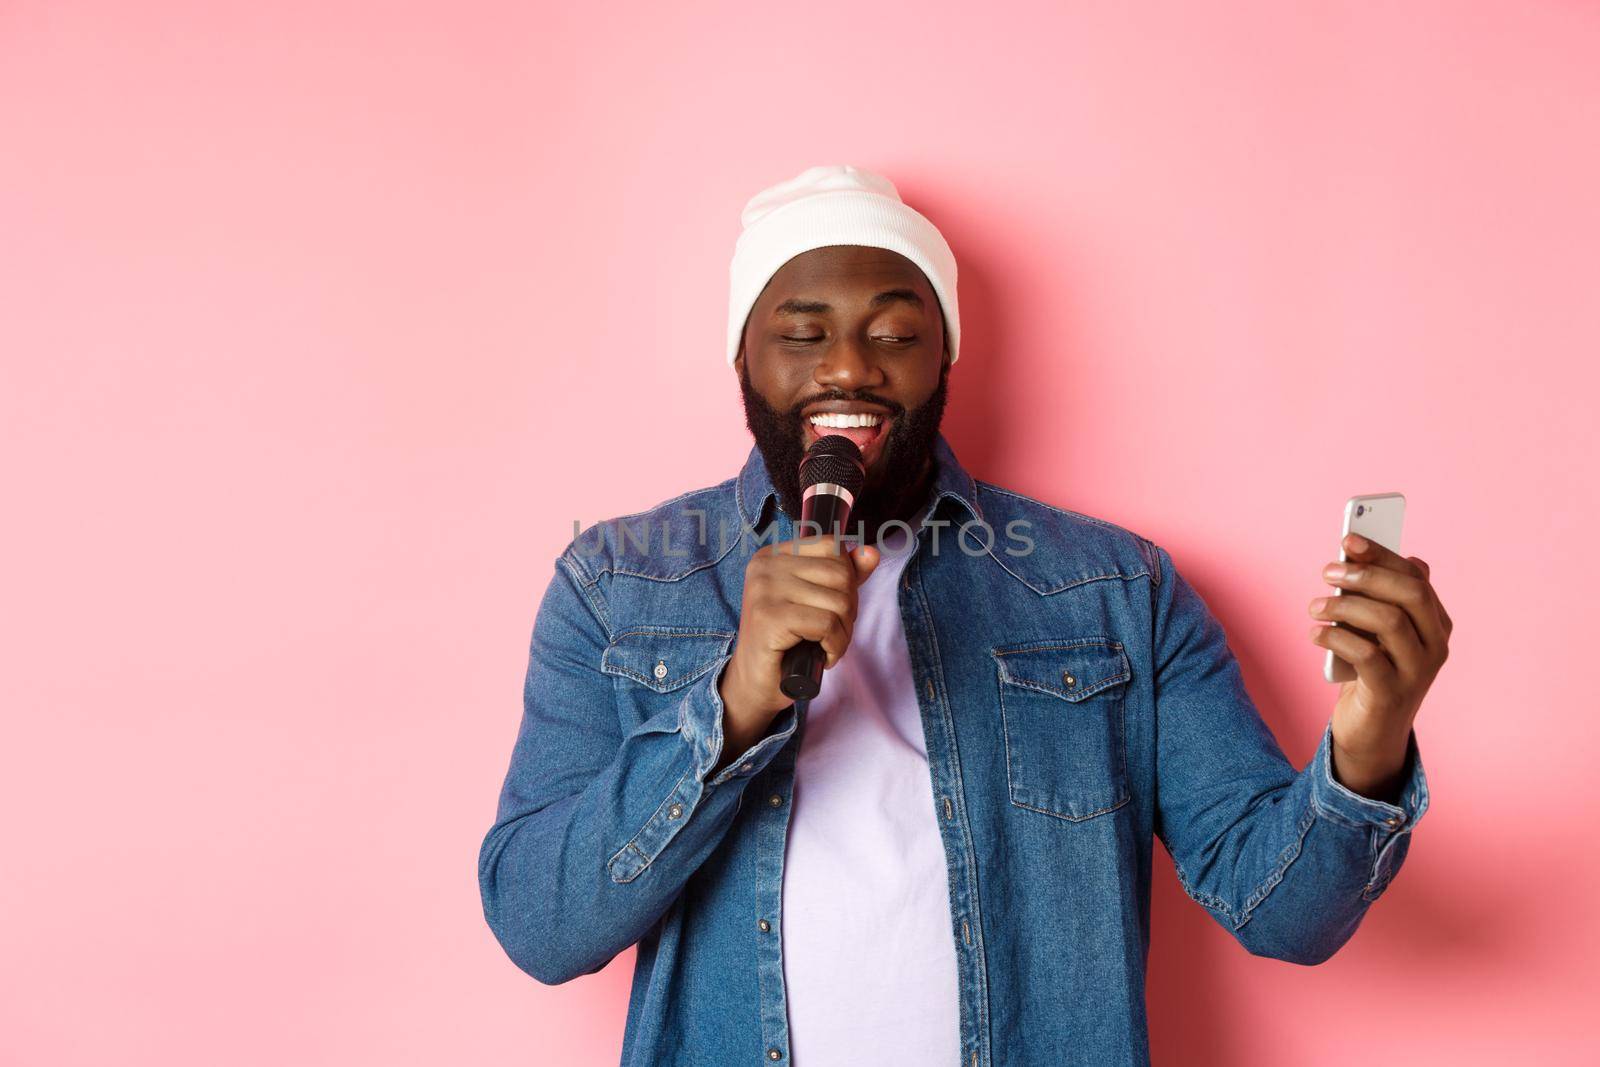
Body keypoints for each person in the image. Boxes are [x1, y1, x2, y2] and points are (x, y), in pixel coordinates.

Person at [477, 164, 1450, 1067]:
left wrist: (1368, 741)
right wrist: (729, 704)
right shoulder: (615, 581)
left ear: (945, 356)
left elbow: (1281, 912)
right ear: (742, 355)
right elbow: (538, 921)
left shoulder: (1117, 587)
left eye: (895, 332)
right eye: (803, 331)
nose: (848, 367)